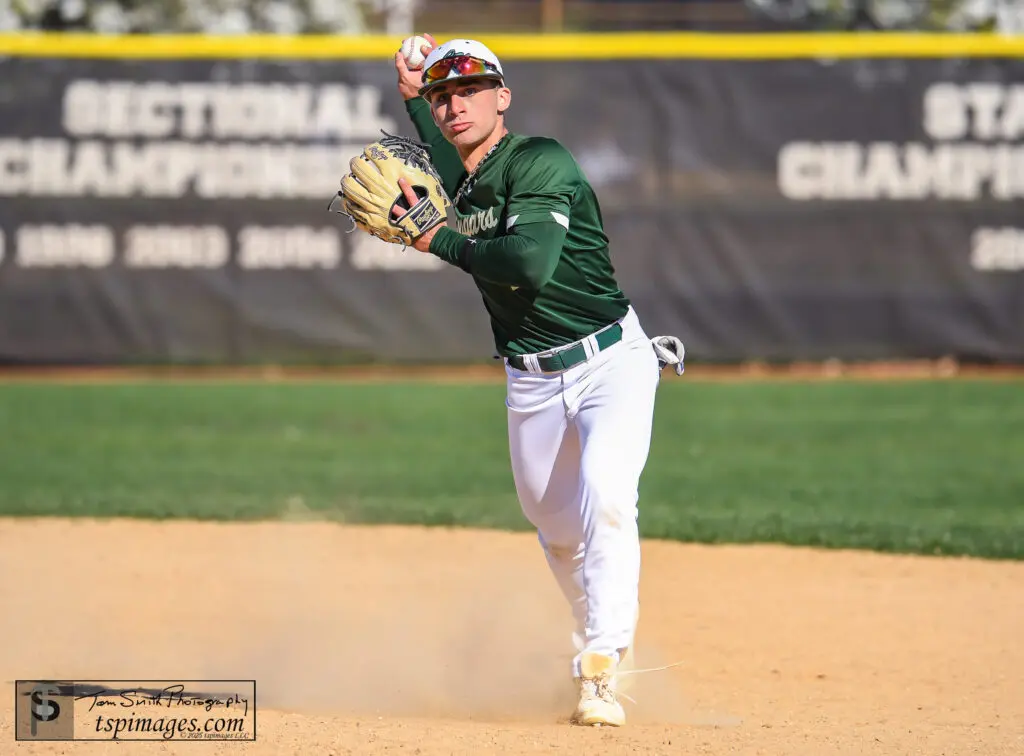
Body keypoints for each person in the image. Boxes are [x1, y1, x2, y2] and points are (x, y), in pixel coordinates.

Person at [391, 35, 684, 727]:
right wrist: (413, 98)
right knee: (557, 534)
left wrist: (437, 240)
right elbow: (446, 157)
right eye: (444, 96)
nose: (455, 105)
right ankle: (598, 639)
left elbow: (528, 263)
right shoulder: (465, 175)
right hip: (530, 380)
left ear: (503, 97)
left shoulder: (540, 160)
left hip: (611, 361)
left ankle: (601, 666)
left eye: (470, 90)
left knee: (608, 497)